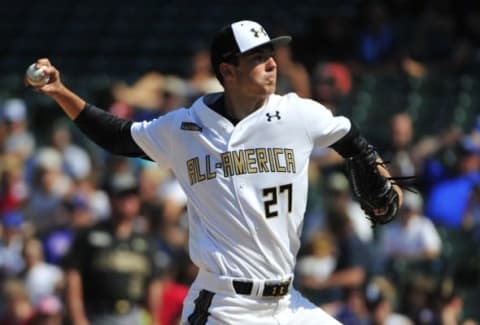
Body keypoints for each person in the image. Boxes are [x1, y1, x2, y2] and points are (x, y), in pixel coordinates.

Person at [28, 20, 403, 325]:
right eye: (257, 57)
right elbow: (117, 135)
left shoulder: (296, 113)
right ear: (228, 70)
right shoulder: (186, 128)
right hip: (225, 306)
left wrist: (385, 180)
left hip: (287, 305)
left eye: (270, 54)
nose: (272, 63)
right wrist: (61, 91)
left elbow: (353, 141)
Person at [61, 183, 163, 325]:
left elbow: (154, 284)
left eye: (132, 197)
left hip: (133, 315)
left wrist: (155, 320)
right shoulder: (89, 236)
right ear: (111, 200)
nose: (127, 202)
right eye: (122, 197)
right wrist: (78, 319)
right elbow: (73, 277)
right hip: (97, 315)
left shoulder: (146, 242)